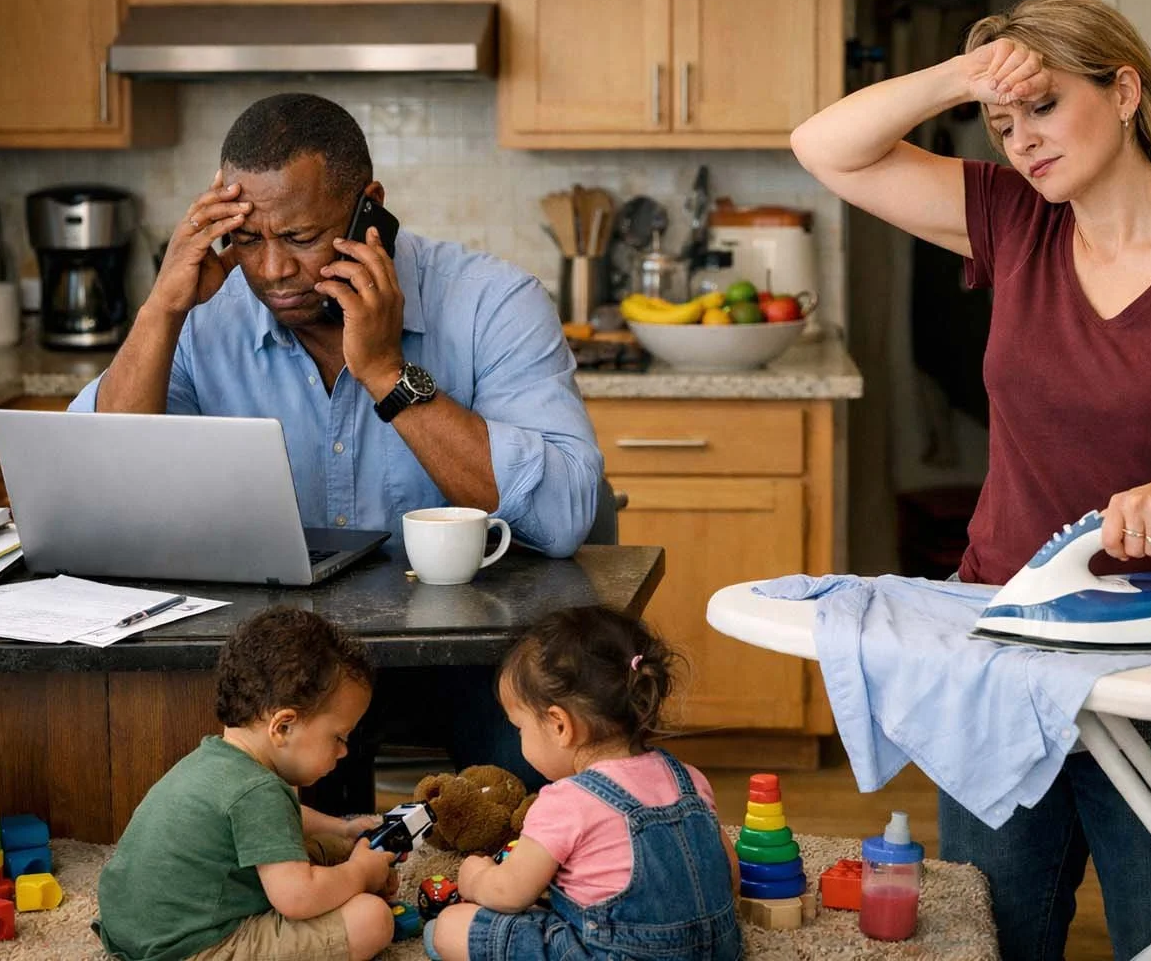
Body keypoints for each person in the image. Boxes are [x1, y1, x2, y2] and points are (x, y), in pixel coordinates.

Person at [790, 0, 1151, 961]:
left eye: (1045, 107)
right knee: (993, 932)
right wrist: (961, 77)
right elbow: (826, 145)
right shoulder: (1014, 221)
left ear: (1125, 90)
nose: (1022, 143)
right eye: (1003, 124)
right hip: (1006, 647)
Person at [70, 92, 604, 795]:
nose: (271, 271)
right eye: (248, 239)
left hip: (481, 653)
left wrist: (387, 376)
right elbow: (104, 482)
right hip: (285, 665)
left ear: (368, 208)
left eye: (298, 238)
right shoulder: (203, 316)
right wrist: (162, 308)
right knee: (263, 822)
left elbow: (566, 513)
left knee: (535, 800)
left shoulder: (492, 302)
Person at [425, 606, 742, 961]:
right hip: (718, 950)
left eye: (520, 727)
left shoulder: (565, 801)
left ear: (560, 725)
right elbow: (728, 876)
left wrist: (476, 877)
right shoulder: (689, 779)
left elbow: (509, 892)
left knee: (449, 927)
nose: (519, 738)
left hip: (612, 954)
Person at [95, 606, 399, 961]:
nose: (344, 751)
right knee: (370, 919)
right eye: (339, 737)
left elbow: (274, 821)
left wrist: (343, 829)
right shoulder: (257, 791)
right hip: (189, 948)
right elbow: (297, 898)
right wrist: (359, 874)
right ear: (282, 726)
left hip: (134, 929)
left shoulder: (215, 761)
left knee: (328, 847)